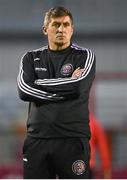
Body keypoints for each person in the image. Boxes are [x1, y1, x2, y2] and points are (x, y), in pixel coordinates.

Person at [17, 6, 96, 179]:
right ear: (45, 29)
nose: (61, 29)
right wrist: (66, 89)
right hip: (37, 140)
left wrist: (38, 83)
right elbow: (23, 90)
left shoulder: (84, 56)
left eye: (66, 24)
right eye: (56, 24)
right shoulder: (30, 57)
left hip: (73, 139)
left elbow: (78, 87)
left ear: (72, 29)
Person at [89, 113, 111, 178]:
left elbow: (102, 147)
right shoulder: (92, 122)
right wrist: (106, 169)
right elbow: (103, 147)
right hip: (87, 165)